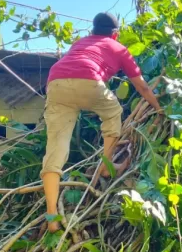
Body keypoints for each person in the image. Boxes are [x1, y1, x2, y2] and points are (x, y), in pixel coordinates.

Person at [41, 12, 161, 232]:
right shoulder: (119, 48)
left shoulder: (80, 43)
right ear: (115, 35)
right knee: (113, 112)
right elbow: (142, 87)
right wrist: (159, 108)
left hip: (56, 82)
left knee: (55, 149)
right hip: (88, 80)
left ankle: (51, 216)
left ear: (92, 31)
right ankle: (106, 167)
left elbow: (73, 66)